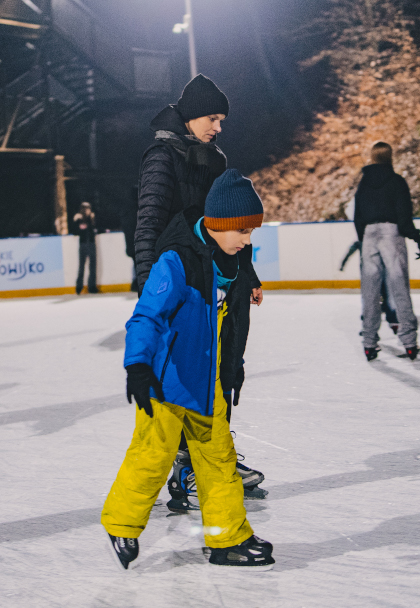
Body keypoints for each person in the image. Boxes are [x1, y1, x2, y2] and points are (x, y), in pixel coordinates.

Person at [102, 169, 274, 571]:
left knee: (218, 461)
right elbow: (146, 315)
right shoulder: (176, 260)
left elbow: (227, 328)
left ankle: (227, 540)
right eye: (243, 232)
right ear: (219, 224)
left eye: (251, 232)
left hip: (207, 384)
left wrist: (233, 369)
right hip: (168, 382)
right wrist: (138, 366)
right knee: (152, 455)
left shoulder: (231, 262)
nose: (248, 241)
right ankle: (121, 524)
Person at [130, 74, 265, 508]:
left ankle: (211, 459)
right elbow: (149, 221)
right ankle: (187, 469)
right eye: (212, 117)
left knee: (217, 370)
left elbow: (226, 226)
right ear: (190, 115)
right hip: (178, 281)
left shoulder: (213, 159)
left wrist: (249, 273)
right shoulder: (161, 157)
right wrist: (150, 284)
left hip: (212, 280)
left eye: (222, 119)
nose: (218, 126)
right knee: (183, 378)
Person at [353, 142, 420, 361]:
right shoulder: (397, 182)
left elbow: (358, 216)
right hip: (391, 234)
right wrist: (415, 237)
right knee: (399, 288)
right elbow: (404, 215)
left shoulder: (364, 184)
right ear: (390, 157)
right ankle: (409, 341)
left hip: (368, 235)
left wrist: (363, 238)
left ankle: (369, 342)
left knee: (370, 291)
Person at [339, 239, 399, 333]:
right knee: (385, 297)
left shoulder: (361, 242)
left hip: (370, 275)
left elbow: (350, 251)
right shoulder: (379, 241)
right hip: (379, 274)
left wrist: (343, 264)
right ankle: (393, 322)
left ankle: (375, 325)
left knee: (371, 300)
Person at [73, 201, 98, 295]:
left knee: (92, 266)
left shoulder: (92, 218)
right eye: (85, 209)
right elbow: (75, 231)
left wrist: (92, 220)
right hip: (83, 244)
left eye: (88, 208)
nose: (87, 211)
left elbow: (95, 229)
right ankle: (79, 287)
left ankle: (92, 287)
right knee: (81, 266)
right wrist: (76, 221)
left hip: (91, 243)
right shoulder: (79, 219)